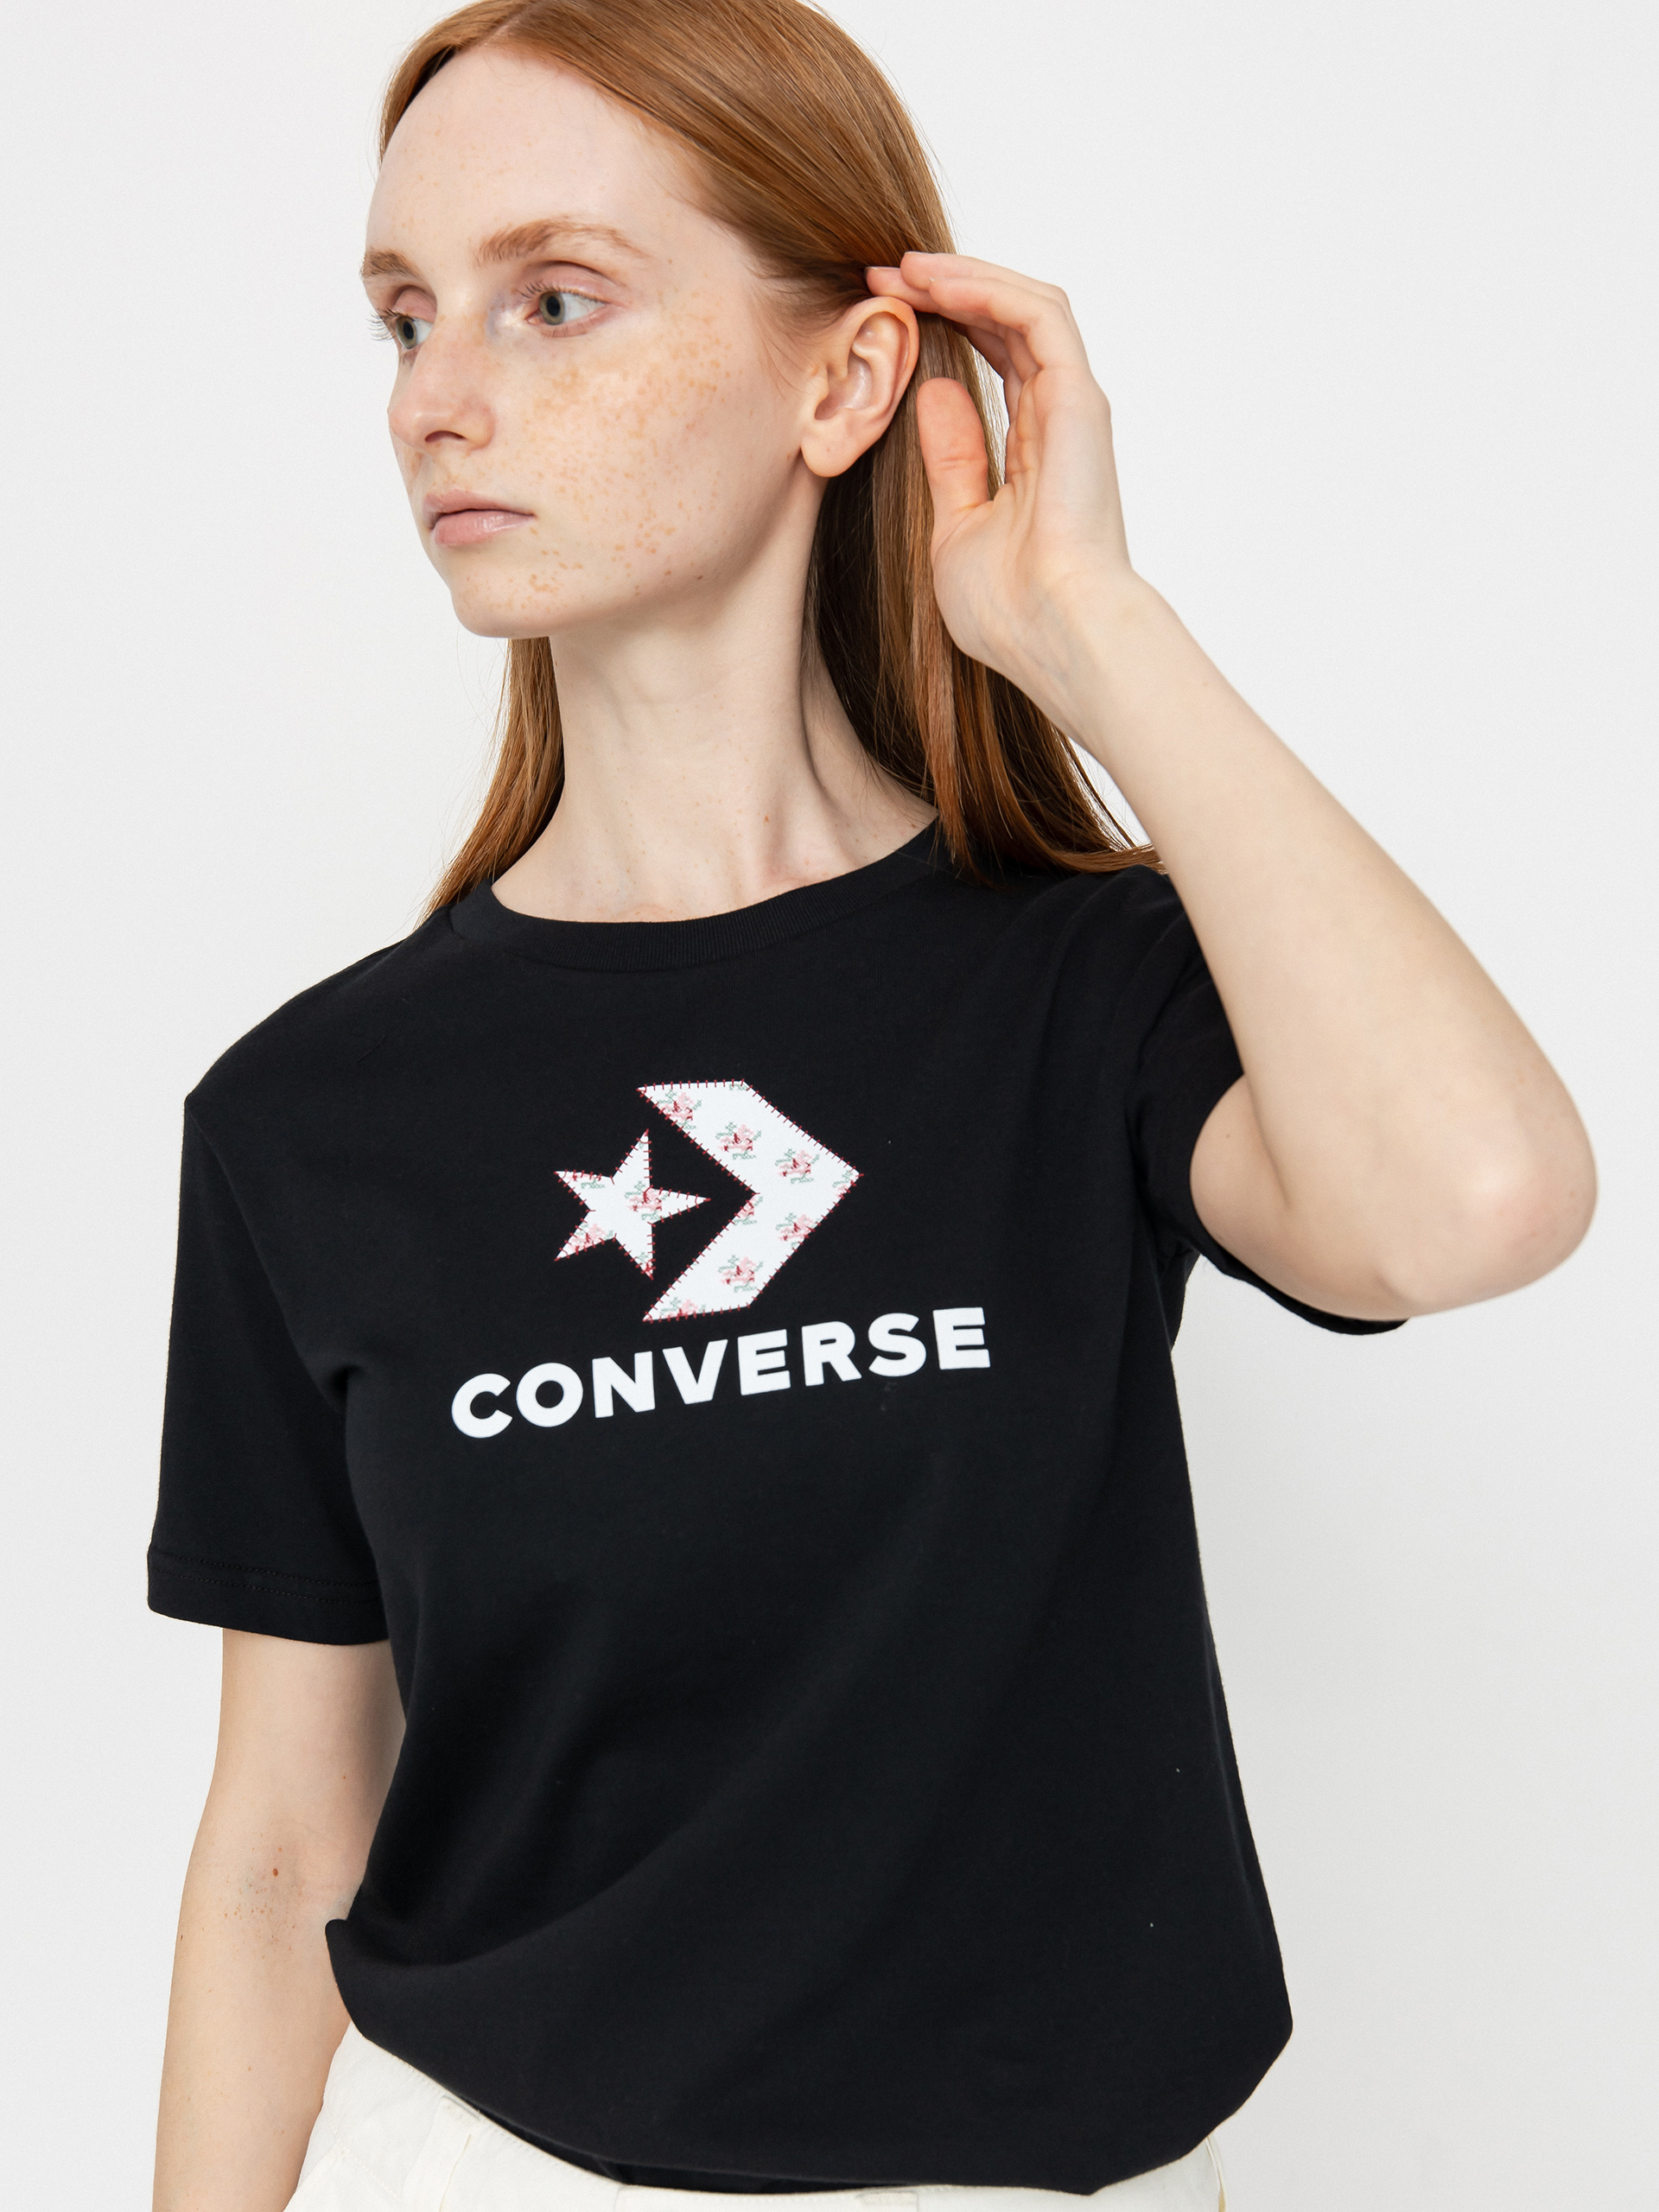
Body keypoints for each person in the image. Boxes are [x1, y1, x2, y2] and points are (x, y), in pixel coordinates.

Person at [145, 3, 1595, 2207]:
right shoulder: (308, 1116)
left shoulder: (1084, 991)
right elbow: (279, 1843)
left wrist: (1085, 620)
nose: (436, 396)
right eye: (405, 314)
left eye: (555, 298)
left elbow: (1477, 1197)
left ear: (843, 383)